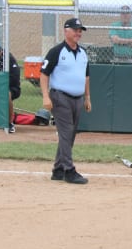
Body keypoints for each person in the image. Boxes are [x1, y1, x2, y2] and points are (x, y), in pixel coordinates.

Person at [39, 18, 92, 184]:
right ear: (66, 31)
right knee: (66, 132)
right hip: (60, 97)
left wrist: (87, 97)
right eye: (75, 30)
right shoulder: (56, 51)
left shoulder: (83, 53)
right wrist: (46, 96)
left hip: (77, 98)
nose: (78, 33)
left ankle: (58, 169)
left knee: (69, 135)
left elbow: (86, 76)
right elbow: (44, 74)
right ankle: (69, 170)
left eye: (80, 30)